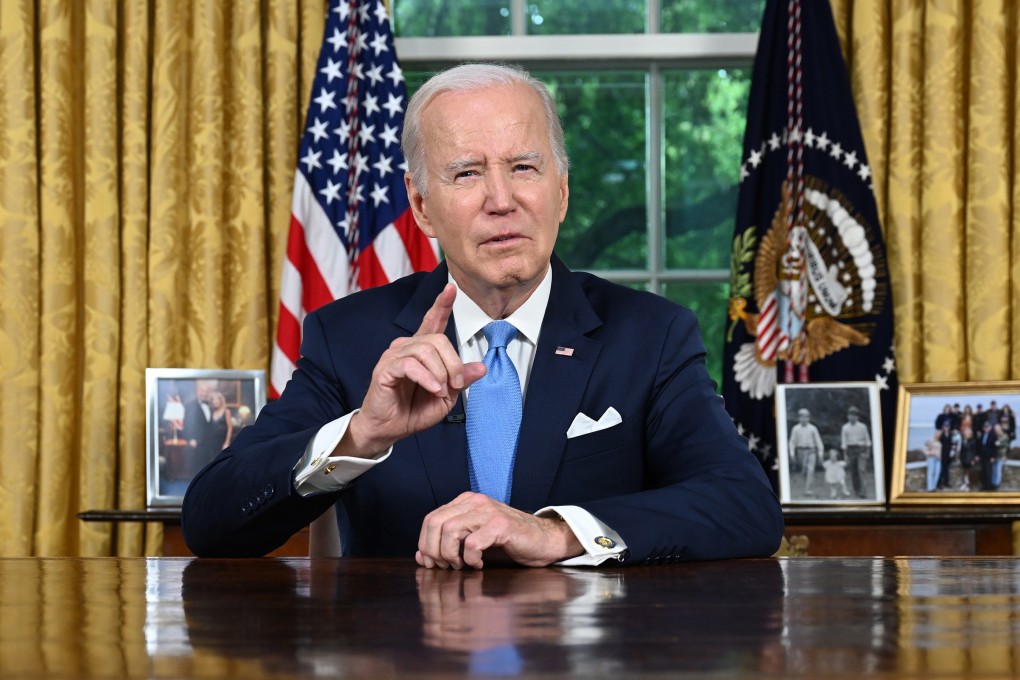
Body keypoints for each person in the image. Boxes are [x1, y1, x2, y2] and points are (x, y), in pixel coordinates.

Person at [180, 63, 783, 567]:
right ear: (420, 205)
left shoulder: (650, 335)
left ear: (563, 190)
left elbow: (744, 506)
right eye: (467, 173)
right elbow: (210, 521)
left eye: (524, 167)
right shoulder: (351, 339)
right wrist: (361, 434)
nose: (502, 200)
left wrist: (556, 533)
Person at [788, 408, 824, 496]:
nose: (804, 419)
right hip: (800, 451)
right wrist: (792, 453)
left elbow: (818, 441)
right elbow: (792, 442)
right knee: (804, 471)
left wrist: (820, 453)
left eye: (806, 417)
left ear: (809, 418)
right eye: (801, 417)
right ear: (799, 418)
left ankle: (808, 489)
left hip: (811, 450)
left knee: (810, 470)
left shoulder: (813, 428)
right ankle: (807, 484)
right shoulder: (796, 429)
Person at [840, 406, 872, 498]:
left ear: (857, 417)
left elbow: (867, 440)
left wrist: (867, 452)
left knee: (861, 470)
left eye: (854, 415)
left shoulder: (862, 427)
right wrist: (845, 455)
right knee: (854, 472)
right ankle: (857, 491)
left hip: (861, 449)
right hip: (851, 450)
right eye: (850, 415)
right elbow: (844, 442)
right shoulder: (845, 427)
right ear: (848, 416)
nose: (852, 417)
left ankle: (863, 491)